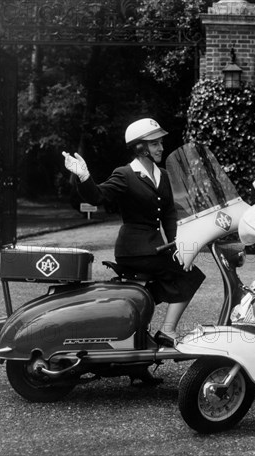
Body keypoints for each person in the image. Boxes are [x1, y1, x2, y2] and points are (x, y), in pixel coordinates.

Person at [62, 118, 205, 348]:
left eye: (160, 143)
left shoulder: (164, 176)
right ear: (141, 147)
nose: (161, 148)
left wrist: (177, 246)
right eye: (155, 144)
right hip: (134, 250)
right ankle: (167, 331)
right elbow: (98, 197)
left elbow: (169, 214)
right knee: (191, 275)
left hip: (155, 249)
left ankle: (137, 331)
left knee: (182, 268)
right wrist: (84, 177)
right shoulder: (125, 174)